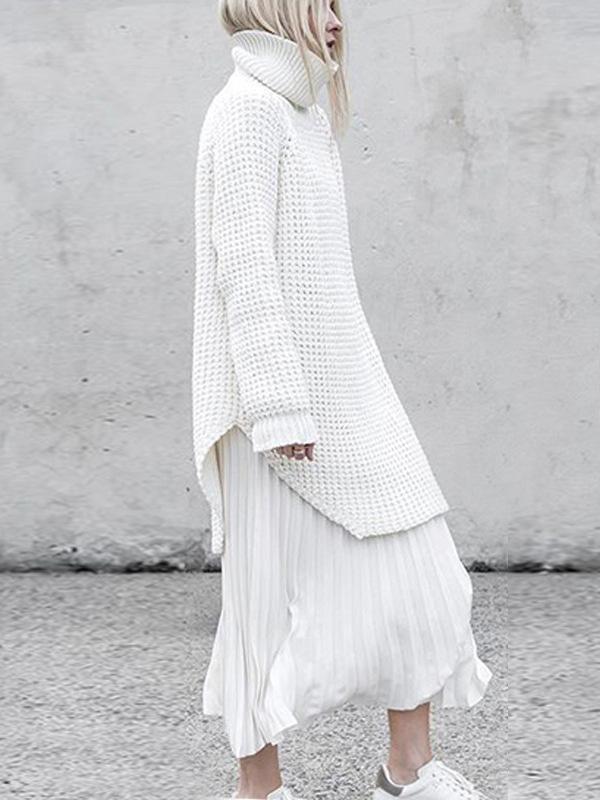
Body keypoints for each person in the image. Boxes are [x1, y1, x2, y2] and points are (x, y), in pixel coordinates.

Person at [192, 1, 494, 798]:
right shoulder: (247, 111)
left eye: (336, 6)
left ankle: (408, 769)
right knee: (263, 605)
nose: (334, 22)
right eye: (318, 6)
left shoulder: (304, 114)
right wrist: (278, 403)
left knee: (423, 577)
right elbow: (244, 267)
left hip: (344, 389)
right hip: (270, 409)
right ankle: (259, 789)